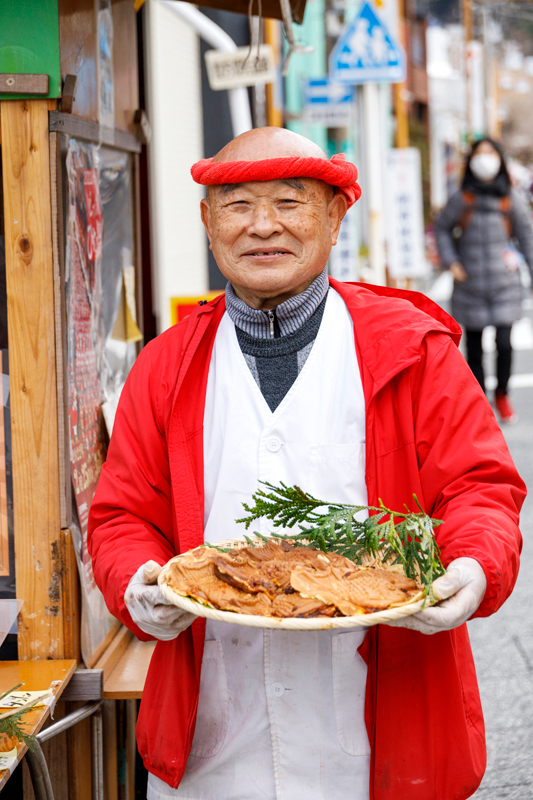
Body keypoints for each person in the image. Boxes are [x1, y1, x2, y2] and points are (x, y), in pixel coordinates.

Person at [88, 128, 525, 800]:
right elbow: (122, 514)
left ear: (334, 215)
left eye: (289, 202)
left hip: (379, 730)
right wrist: (140, 585)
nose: (262, 226)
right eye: (236, 205)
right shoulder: (164, 366)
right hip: (212, 736)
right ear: (207, 222)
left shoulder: (412, 349)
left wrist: (471, 566)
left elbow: (478, 487)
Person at [435, 137, 533, 423]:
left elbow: (526, 236)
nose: (485, 159)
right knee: (474, 348)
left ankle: (502, 394)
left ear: (500, 159)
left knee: (504, 343)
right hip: (470, 284)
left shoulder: (509, 198)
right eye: (480, 154)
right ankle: (480, 400)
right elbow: (441, 229)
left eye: (491, 153)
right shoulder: (462, 198)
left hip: (505, 283)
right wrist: (451, 263)